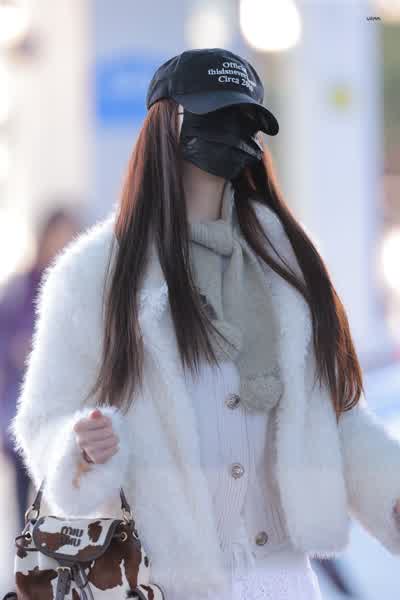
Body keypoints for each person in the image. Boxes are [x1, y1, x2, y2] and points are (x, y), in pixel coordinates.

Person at [9, 48, 400, 600]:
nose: (232, 133)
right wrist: (81, 446)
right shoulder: (95, 273)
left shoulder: (286, 263)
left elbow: (335, 417)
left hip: (282, 579)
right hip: (161, 581)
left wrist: (390, 496)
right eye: (215, 115)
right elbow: (42, 421)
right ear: (166, 123)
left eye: (245, 119)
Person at [0, 208, 80, 531]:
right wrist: (18, 349)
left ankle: (55, 555)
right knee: (23, 503)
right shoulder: (19, 289)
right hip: (21, 409)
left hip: (64, 414)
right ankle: (25, 555)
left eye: (69, 238)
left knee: (61, 503)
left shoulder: (78, 289)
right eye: (57, 237)